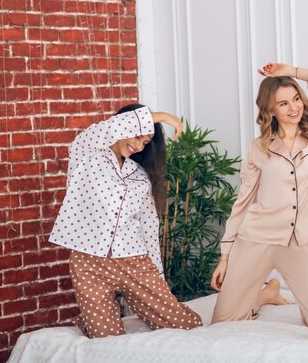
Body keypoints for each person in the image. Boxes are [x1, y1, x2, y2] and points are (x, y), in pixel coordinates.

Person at [49, 103, 203, 338]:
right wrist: (162, 117)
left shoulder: (141, 175)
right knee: (107, 339)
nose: (140, 144)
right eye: (138, 135)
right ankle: (93, 318)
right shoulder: (86, 153)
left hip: (135, 262)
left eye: (146, 141)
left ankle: (91, 317)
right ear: (122, 126)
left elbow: (149, 227)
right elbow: (106, 129)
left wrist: (157, 277)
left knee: (184, 325)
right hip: (89, 263)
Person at [210, 62, 308, 326]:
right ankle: (264, 295)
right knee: (223, 323)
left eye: (295, 98)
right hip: (255, 240)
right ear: (270, 110)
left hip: (300, 242)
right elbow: (243, 202)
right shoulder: (257, 148)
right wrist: (225, 257)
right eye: (283, 104)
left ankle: (267, 293)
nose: (293, 107)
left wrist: (291, 72)